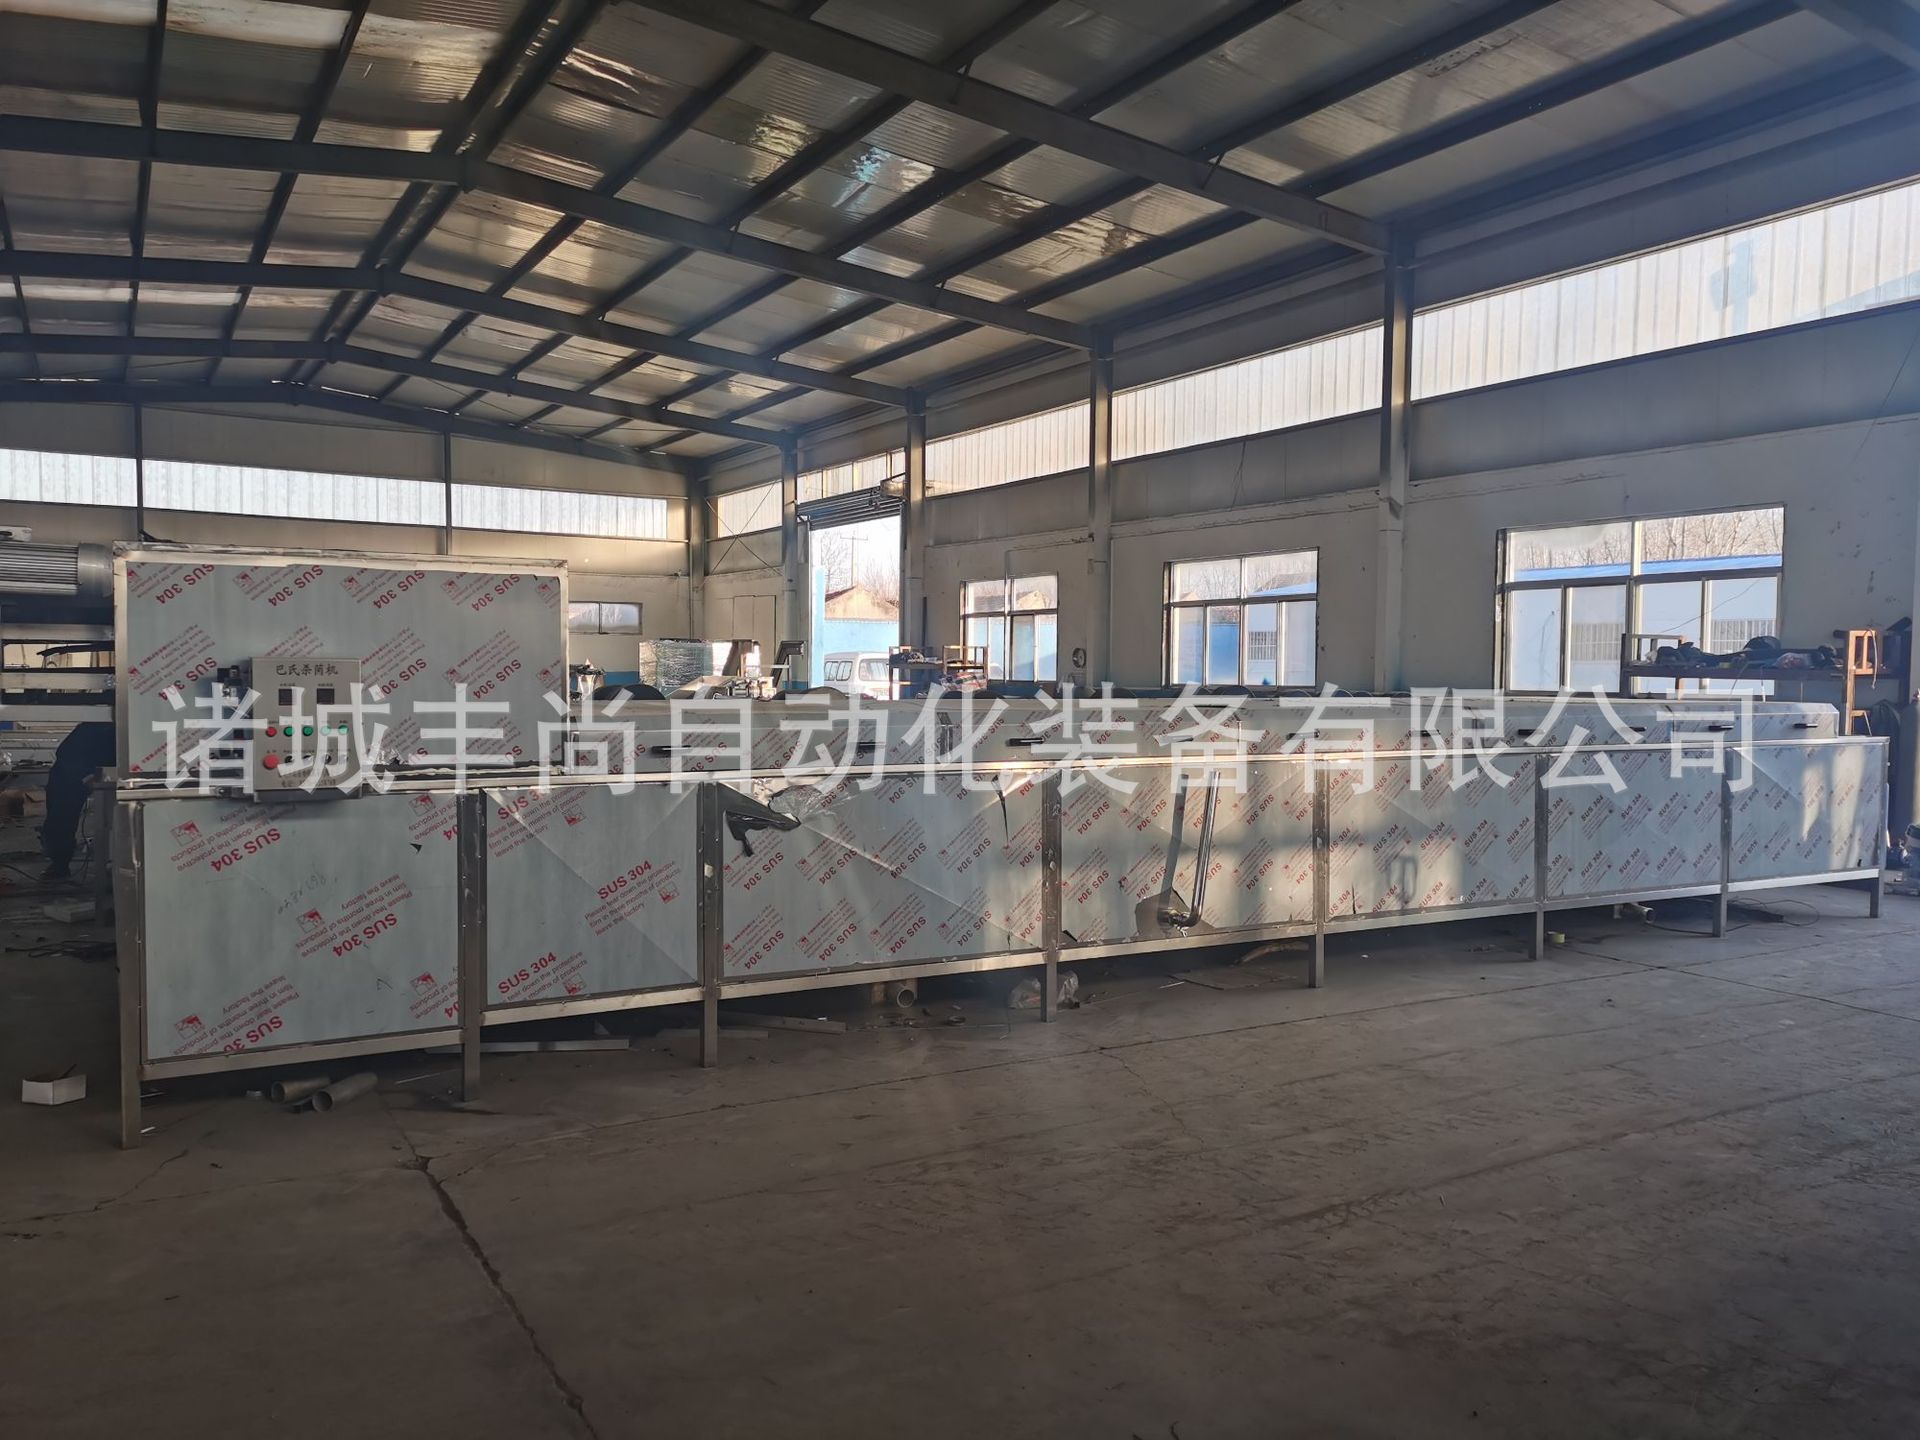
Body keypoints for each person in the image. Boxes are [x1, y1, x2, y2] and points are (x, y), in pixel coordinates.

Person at [41, 721, 115, 883]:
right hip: (70, 774)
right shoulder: (88, 737)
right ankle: (59, 864)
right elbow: (69, 759)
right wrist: (87, 777)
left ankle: (60, 863)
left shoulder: (99, 734)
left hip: (85, 766)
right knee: (60, 818)